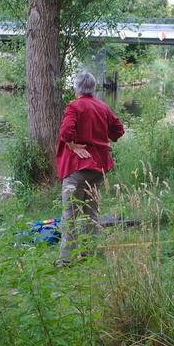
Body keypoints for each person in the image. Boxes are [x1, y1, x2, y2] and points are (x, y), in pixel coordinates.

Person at [56, 71, 124, 263]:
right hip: (98, 169)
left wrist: (72, 145)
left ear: (76, 88)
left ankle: (66, 260)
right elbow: (119, 130)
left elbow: (65, 131)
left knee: (70, 213)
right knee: (91, 212)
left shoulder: (75, 106)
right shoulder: (103, 107)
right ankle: (89, 254)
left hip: (77, 168)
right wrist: (101, 141)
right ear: (93, 88)